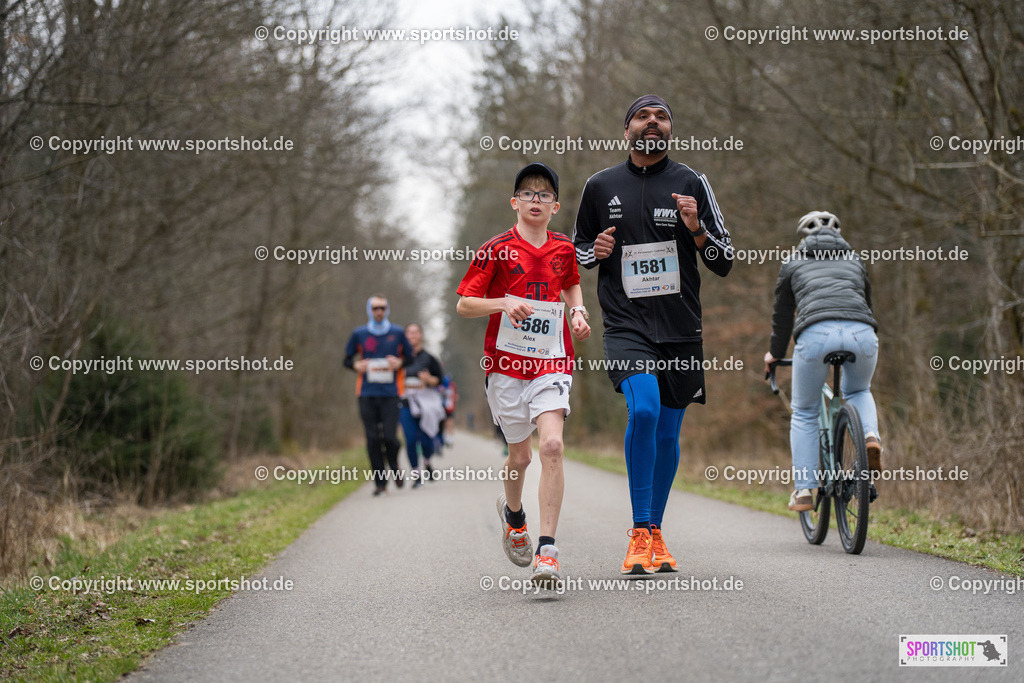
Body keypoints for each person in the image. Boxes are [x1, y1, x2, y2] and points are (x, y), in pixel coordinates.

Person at [573, 95, 734, 574]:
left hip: (681, 326)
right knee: (642, 407)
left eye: (661, 117)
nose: (652, 123)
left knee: (668, 430)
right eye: (643, 116)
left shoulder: (692, 183)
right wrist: (596, 251)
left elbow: (724, 261)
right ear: (627, 130)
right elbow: (577, 251)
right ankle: (640, 529)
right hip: (626, 325)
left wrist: (696, 229)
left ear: (670, 129)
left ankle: (656, 535)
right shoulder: (600, 185)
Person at [456, 162, 591, 589]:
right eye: (528, 194)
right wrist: (503, 303)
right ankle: (514, 517)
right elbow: (464, 305)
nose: (536, 199)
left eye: (545, 194)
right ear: (515, 203)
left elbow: (570, 283)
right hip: (506, 366)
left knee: (551, 444)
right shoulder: (495, 248)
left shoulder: (564, 248)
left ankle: (547, 551)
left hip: (551, 361)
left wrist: (578, 311)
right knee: (521, 457)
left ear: (555, 206)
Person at [764, 211, 882, 512]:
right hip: (862, 333)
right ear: (838, 235)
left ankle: (804, 489)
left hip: (816, 335)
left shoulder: (792, 262)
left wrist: (775, 353)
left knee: (804, 410)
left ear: (804, 236)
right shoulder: (855, 260)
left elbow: (782, 318)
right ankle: (870, 436)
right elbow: (865, 306)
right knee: (859, 391)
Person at [344, 295, 413, 496]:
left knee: (391, 438)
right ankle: (380, 483)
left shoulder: (398, 333)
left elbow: (409, 357)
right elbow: (347, 360)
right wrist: (357, 365)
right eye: (375, 308)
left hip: (391, 393)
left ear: (387, 310)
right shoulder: (359, 334)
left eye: (382, 308)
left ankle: (394, 466)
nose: (379, 312)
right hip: (366, 392)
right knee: (373, 438)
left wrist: (399, 363)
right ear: (369, 310)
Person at [398, 323, 446, 488]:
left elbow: (439, 380)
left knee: (426, 439)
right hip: (406, 402)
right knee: (410, 439)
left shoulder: (429, 358)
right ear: (405, 336)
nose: (412, 335)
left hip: (427, 402)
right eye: (409, 332)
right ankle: (417, 474)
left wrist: (429, 380)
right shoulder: (400, 358)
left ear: (420, 335)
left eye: (415, 332)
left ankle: (427, 461)